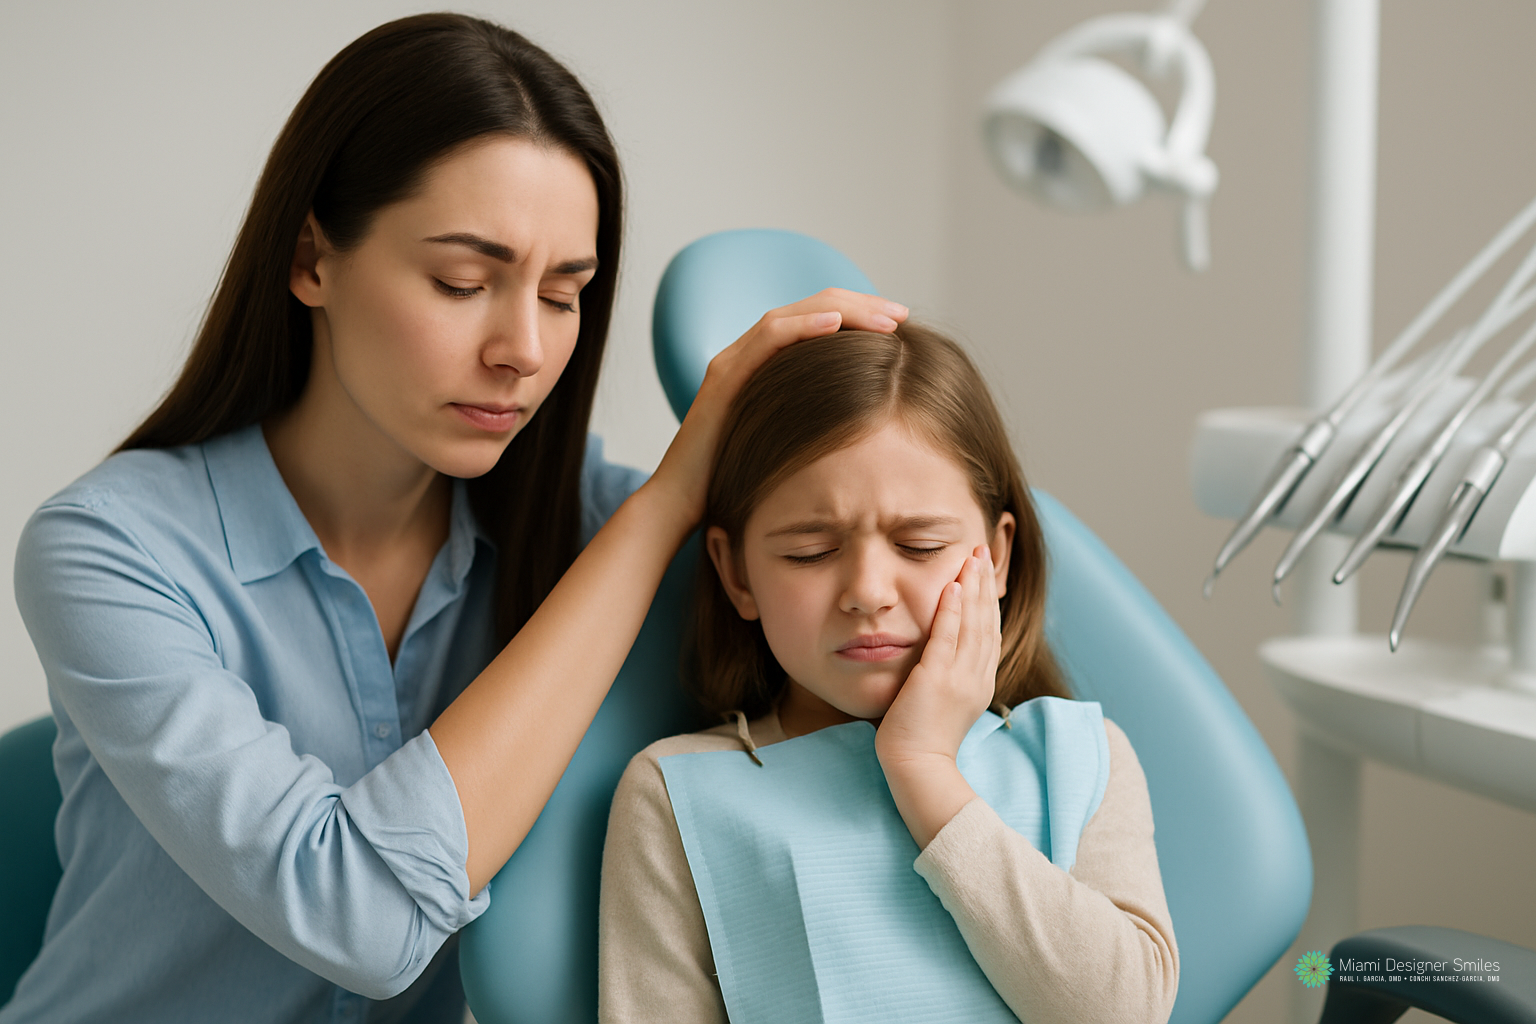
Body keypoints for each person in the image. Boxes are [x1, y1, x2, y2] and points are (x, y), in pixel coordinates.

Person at [4, 13, 906, 1024]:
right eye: (463, 282)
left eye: (565, 294)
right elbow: (362, 919)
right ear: (312, 259)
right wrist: (665, 509)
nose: (522, 348)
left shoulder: (595, 534)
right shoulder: (109, 548)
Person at [598, 323, 1179, 1024]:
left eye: (919, 544)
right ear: (735, 572)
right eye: (811, 551)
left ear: (994, 559)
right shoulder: (676, 795)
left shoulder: (1080, 758)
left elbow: (1125, 1012)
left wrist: (926, 771)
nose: (869, 592)